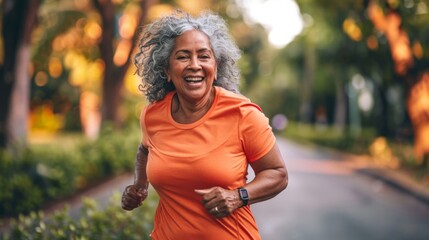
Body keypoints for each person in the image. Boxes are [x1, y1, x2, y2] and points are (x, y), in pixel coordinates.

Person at [121, 10, 288, 240]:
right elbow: (144, 149)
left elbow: (277, 174)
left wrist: (238, 196)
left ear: (216, 67)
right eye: (182, 56)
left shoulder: (242, 114)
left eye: (203, 56)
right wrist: (139, 186)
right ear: (167, 70)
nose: (194, 65)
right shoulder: (153, 115)